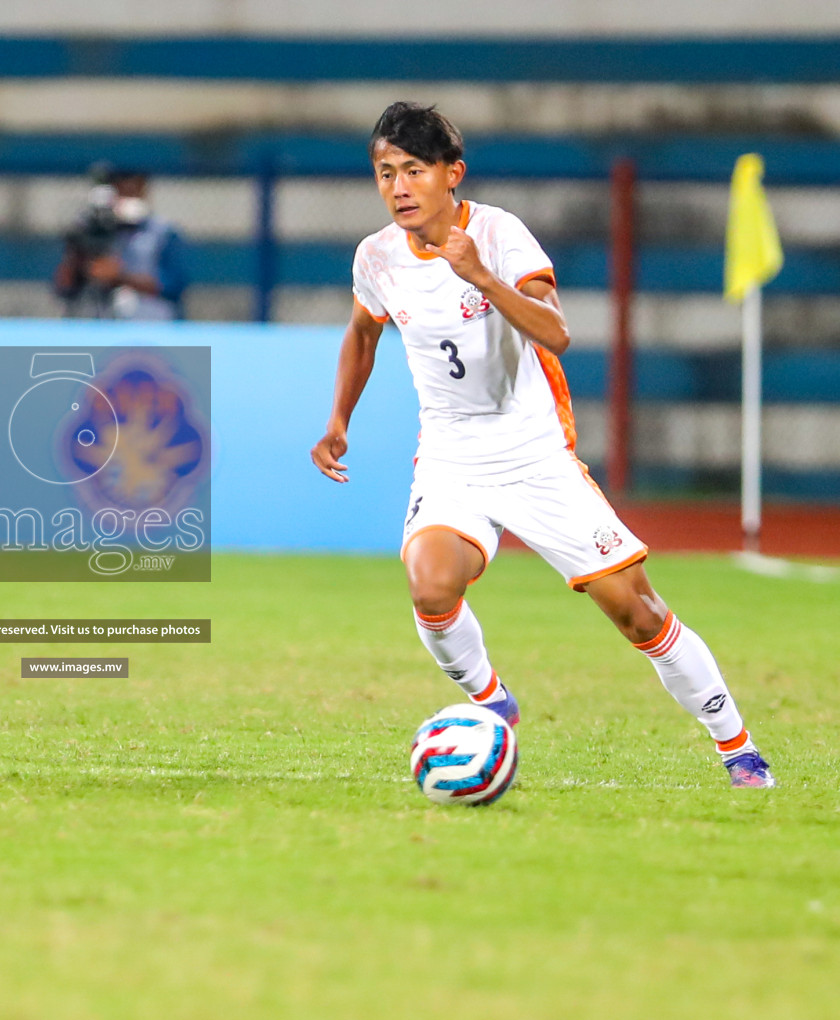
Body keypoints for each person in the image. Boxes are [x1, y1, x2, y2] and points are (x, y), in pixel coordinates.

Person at [311, 101, 773, 788]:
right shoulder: (376, 257)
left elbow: (556, 333)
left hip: (532, 453)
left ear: (451, 174)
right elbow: (363, 332)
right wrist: (338, 419)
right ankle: (491, 703)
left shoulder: (498, 235)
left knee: (637, 612)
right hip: (451, 456)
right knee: (430, 584)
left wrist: (483, 279)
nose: (399, 188)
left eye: (413, 171)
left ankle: (737, 747)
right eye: (385, 174)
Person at [54, 168, 187, 320]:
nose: (127, 198)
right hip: (101, 325)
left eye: (133, 191)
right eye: (122, 192)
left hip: (151, 327)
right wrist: (78, 255)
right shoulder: (94, 228)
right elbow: (63, 287)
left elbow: (173, 285)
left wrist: (119, 277)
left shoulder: (162, 232)